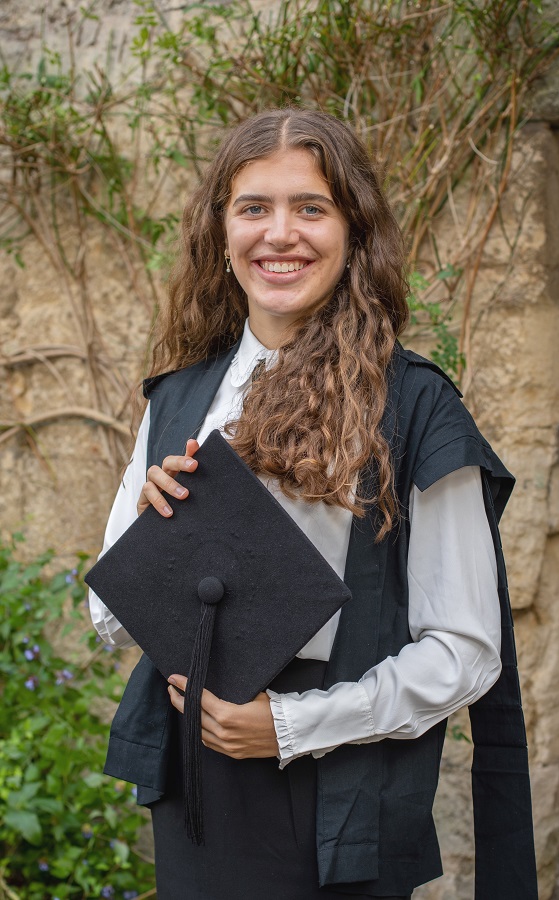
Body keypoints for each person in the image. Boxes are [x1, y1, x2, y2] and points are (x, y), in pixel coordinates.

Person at [89, 108, 536, 900]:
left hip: (341, 792)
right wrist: (146, 535)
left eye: (311, 208)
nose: (279, 234)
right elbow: (112, 620)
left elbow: (468, 651)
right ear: (220, 233)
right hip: (195, 787)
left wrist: (290, 729)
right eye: (254, 207)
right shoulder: (180, 395)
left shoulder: (415, 406)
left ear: (353, 230)